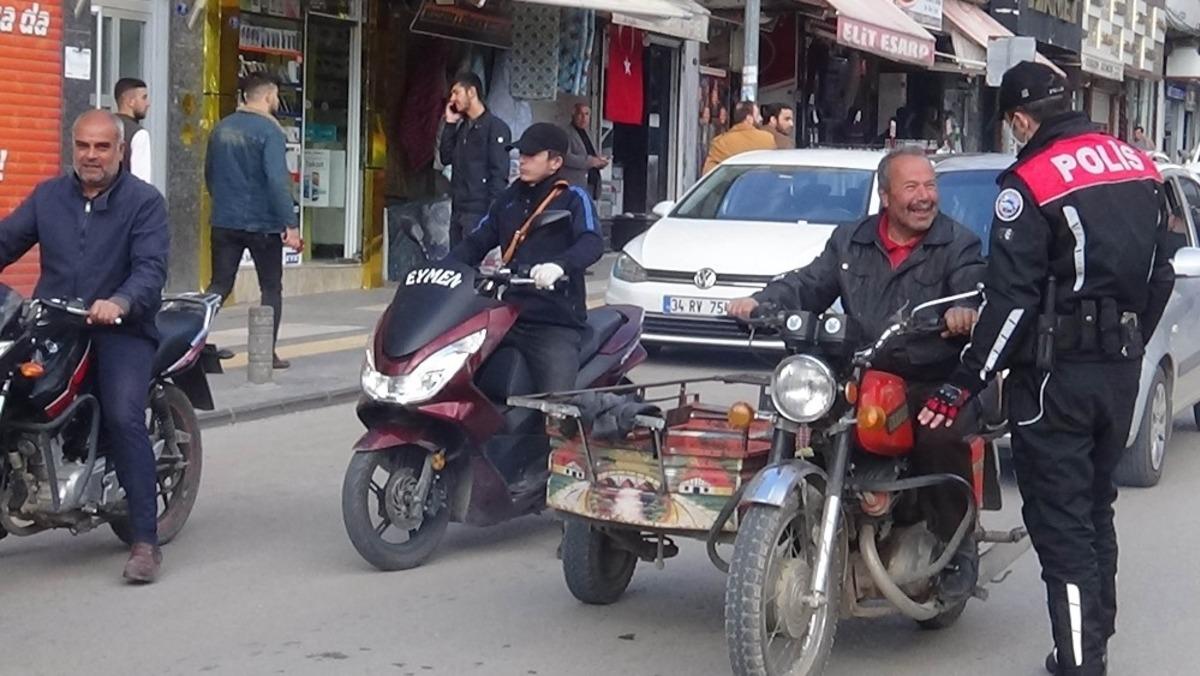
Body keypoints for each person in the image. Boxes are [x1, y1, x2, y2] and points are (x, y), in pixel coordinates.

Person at [917, 62, 1174, 676]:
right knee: (1093, 508)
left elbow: (1011, 305)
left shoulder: (1027, 181)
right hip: (1118, 373)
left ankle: (1081, 663)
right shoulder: (1138, 165)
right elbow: (1161, 275)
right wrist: (1125, 337)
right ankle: (1095, 641)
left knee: (1061, 527)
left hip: (1055, 378)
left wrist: (966, 382)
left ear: (1020, 119)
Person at [729, 147, 986, 603]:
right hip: (858, 370)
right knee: (794, 418)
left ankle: (958, 548)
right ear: (886, 195)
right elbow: (809, 283)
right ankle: (778, 535)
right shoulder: (851, 240)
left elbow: (971, 285)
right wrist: (762, 301)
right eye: (912, 187)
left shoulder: (958, 243)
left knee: (938, 436)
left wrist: (964, 311)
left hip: (927, 373)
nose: (925, 197)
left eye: (930, 186)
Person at [0, 110, 170, 582]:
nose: (91, 156)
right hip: (55, 321)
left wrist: (120, 301)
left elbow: (151, 269)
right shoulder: (49, 196)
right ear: (71, 147)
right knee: (11, 395)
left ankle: (144, 541)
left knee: (122, 416)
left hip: (121, 328)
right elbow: (7, 240)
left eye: (102, 147)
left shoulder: (144, 203)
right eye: (83, 146)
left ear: (119, 150)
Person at [450, 123, 603, 395]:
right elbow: (478, 241)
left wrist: (559, 266)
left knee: (558, 405)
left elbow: (592, 242)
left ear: (555, 162)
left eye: (531, 155)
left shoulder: (573, 197)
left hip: (554, 322)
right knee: (460, 379)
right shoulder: (508, 199)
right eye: (521, 154)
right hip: (507, 315)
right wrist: (441, 269)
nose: (522, 160)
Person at [205, 73, 303, 370]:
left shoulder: (221, 128)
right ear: (268, 96)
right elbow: (276, 181)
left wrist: (223, 203)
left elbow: (209, 174)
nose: (276, 101)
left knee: (219, 285)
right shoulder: (270, 132)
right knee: (271, 287)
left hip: (224, 220)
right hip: (262, 223)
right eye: (275, 96)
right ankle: (265, 353)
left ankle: (190, 342)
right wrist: (291, 224)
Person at [439, 72, 512, 248]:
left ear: (471, 92)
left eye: (456, 92)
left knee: (471, 264)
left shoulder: (495, 128)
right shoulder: (463, 127)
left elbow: (499, 173)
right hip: (458, 207)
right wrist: (450, 124)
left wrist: (493, 214)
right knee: (456, 264)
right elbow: (445, 157)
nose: (452, 99)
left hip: (479, 209)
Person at [702, 101, 776, 175]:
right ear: (749, 119)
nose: (761, 119)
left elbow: (708, 174)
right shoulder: (768, 139)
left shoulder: (720, 142)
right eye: (757, 115)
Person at [562, 103, 607, 197]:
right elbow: (565, 157)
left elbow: (590, 154)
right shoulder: (565, 132)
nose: (584, 118)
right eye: (580, 114)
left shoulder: (588, 133)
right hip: (575, 183)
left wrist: (600, 161)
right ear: (573, 114)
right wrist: (590, 161)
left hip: (591, 183)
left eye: (586, 114)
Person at [114, 77, 152, 183]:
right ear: (131, 102)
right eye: (144, 98)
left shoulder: (104, 126)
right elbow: (141, 181)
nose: (148, 103)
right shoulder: (139, 134)